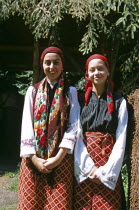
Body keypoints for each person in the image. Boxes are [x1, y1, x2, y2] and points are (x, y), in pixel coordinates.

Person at [18, 46, 80, 209]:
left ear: (62, 65)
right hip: (34, 160)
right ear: (42, 65)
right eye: (47, 63)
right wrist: (34, 159)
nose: (51, 67)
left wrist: (58, 158)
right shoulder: (33, 91)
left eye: (56, 63)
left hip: (61, 159)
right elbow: (26, 124)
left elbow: (73, 125)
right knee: (31, 203)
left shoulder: (70, 91)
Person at [74, 54, 128, 209]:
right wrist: (88, 168)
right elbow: (76, 134)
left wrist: (105, 171)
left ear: (108, 71)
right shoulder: (79, 100)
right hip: (83, 162)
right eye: (92, 70)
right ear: (87, 74)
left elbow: (121, 137)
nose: (97, 72)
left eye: (100, 68)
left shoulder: (119, 102)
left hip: (109, 162)